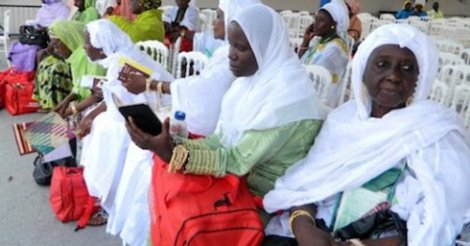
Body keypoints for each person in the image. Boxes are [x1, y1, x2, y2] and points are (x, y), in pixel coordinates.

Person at [263, 24, 470, 245]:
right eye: (382, 65)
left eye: (407, 68)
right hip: (322, 231)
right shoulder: (343, 120)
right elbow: (307, 182)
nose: (393, 76)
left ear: (420, 79)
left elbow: (441, 217)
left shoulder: (436, 131)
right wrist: (304, 227)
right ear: (363, 70)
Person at [126, 4, 326, 205]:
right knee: (163, 181)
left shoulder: (286, 99)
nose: (230, 54)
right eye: (230, 44)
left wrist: (172, 153)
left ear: (265, 48)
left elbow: (236, 161)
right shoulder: (248, 84)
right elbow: (218, 141)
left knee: (179, 201)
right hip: (241, 178)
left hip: (265, 194)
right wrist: (172, 144)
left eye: (241, 48)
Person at [77, 19, 174, 245]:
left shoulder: (123, 63)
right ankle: (106, 196)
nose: (85, 47)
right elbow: (115, 97)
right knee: (99, 123)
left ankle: (109, 196)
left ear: (102, 45)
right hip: (141, 109)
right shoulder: (118, 59)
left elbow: (123, 104)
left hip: (159, 117)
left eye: (88, 43)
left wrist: (91, 117)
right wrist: (90, 115)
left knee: (106, 131)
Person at [121, 0, 261, 136]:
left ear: (233, 20)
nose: (214, 21)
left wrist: (150, 84)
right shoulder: (223, 52)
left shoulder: (234, 58)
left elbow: (203, 88)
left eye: (219, 16)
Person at [49, 20, 106, 118]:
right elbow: (79, 87)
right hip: (86, 101)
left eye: (57, 45)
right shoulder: (77, 57)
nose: (55, 50)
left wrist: (72, 110)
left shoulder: (92, 56)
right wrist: (66, 101)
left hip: (101, 104)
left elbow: (98, 95)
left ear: (69, 40)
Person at [298, 0, 350, 108]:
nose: (315, 24)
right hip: (308, 90)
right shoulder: (322, 41)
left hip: (321, 100)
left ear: (333, 25)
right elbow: (300, 62)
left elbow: (314, 76)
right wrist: (305, 41)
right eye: (315, 19)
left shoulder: (335, 48)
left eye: (321, 21)